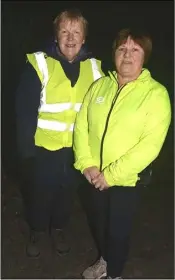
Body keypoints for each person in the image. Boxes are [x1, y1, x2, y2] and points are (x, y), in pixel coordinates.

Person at [73, 27, 171, 279]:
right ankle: (105, 259)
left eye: (134, 49)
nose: (127, 55)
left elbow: (150, 145)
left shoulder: (155, 95)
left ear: (144, 56)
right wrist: (87, 165)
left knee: (118, 230)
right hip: (93, 176)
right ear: (114, 54)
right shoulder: (100, 86)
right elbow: (81, 124)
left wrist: (111, 175)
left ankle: (114, 273)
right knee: (99, 224)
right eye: (122, 49)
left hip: (126, 180)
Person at [15, 8, 104, 258]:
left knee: (67, 193)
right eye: (64, 31)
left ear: (84, 38)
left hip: (77, 151)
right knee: (39, 193)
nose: (70, 37)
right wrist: (26, 154)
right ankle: (38, 230)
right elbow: (24, 111)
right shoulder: (39, 64)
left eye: (76, 32)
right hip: (43, 150)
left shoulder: (96, 69)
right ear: (56, 36)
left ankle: (59, 228)